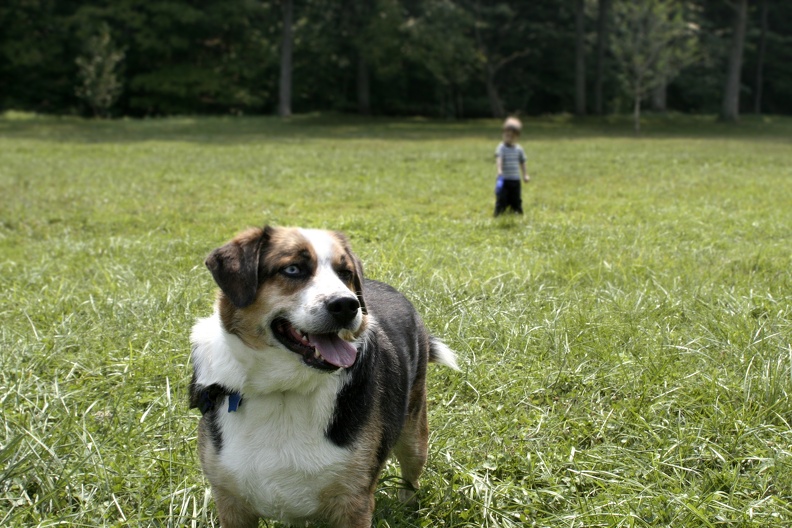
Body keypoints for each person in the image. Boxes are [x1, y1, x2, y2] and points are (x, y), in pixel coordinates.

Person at [493, 117, 530, 216]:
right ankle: (499, 214)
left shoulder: (519, 149)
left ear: (517, 137)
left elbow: (522, 162)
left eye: (512, 136)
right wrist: (499, 170)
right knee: (502, 197)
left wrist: (525, 174)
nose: (509, 137)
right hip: (504, 179)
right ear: (503, 134)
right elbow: (499, 159)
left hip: (515, 179)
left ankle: (517, 213)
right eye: (507, 135)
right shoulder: (501, 147)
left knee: (516, 198)